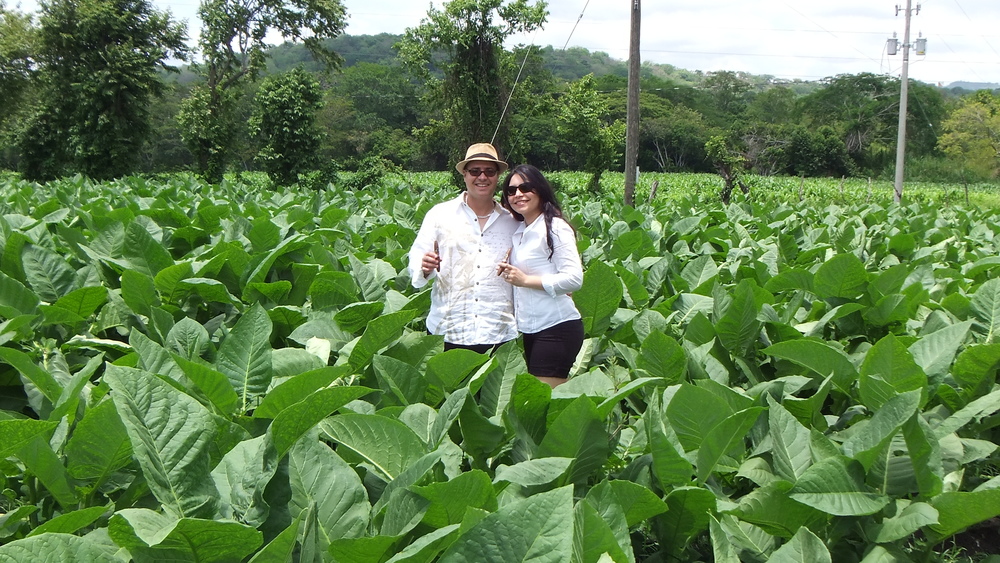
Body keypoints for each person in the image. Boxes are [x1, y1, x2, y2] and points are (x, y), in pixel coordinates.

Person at [408, 143, 520, 354]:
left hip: (498, 329)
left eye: (489, 171)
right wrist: (424, 266)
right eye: (475, 171)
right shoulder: (439, 214)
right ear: (464, 175)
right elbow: (416, 257)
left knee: (495, 388)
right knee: (448, 387)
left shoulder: (513, 221)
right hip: (449, 327)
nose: (482, 177)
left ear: (497, 177)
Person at [496, 165, 584, 388]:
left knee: (543, 401)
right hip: (531, 329)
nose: (518, 194)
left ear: (540, 190)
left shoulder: (555, 227)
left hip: (557, 326)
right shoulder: (520, 232)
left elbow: (574, 279)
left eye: (525, 187)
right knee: (548, 401)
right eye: (511, 190)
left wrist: (525, 280)